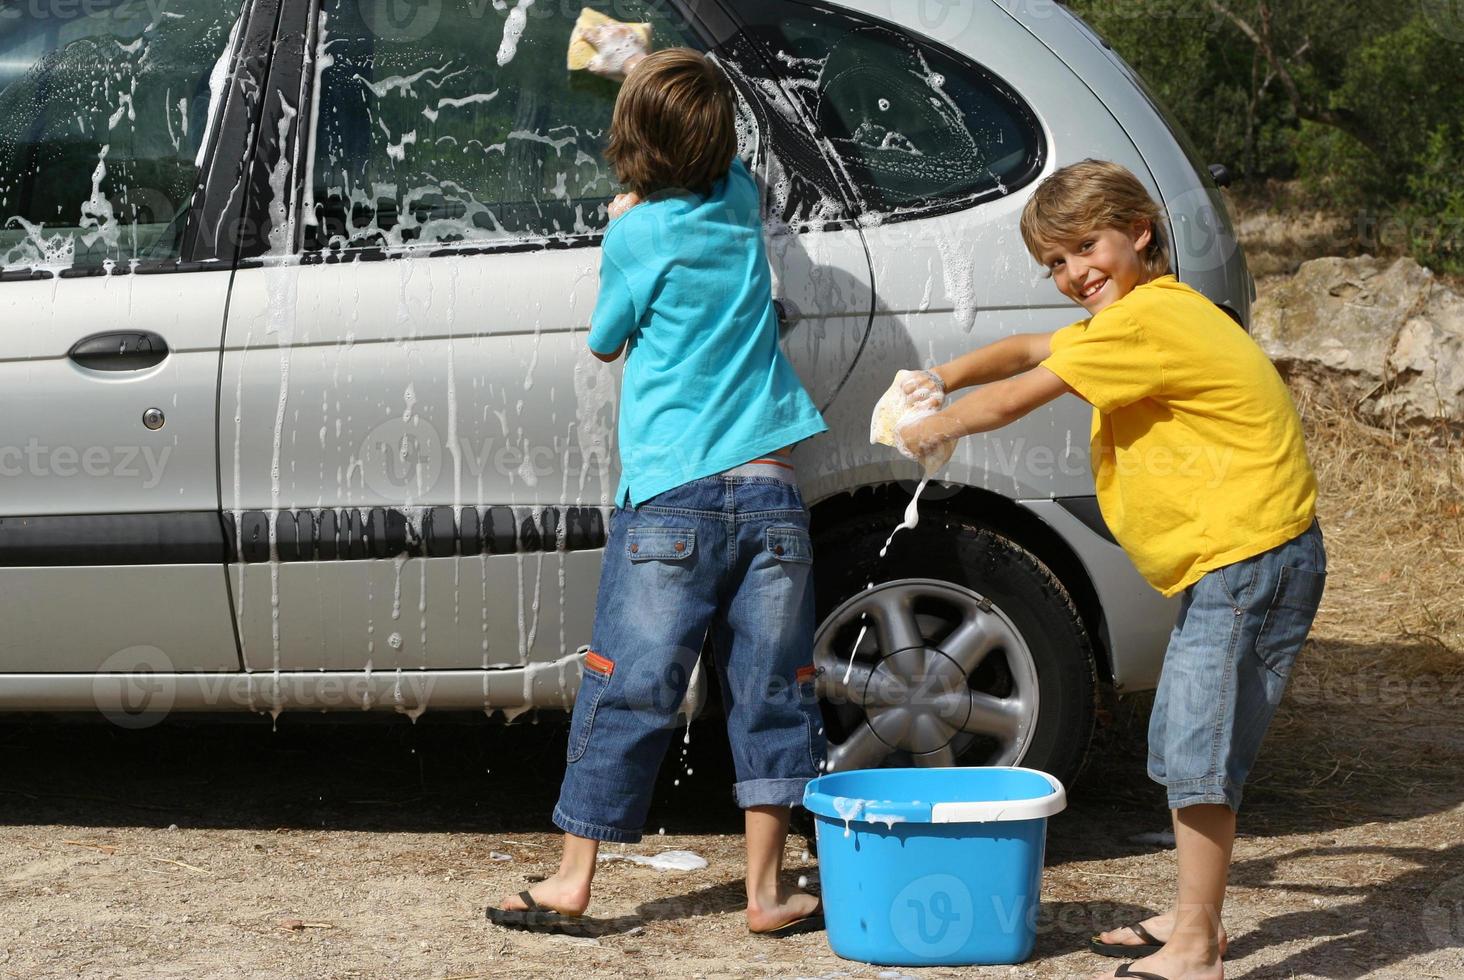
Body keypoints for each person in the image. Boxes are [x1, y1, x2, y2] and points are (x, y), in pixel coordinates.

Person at [896, 159, 1326, 980]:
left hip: (1253, 559)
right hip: (1243, 556)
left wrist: (933, 428)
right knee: (1187, 740)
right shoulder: (1149, 314)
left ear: (1139, 231)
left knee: (1199, 747)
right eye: (1054, 264)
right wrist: (940, 375)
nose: (1071, 274)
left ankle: (1197, 948)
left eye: (1085, 248)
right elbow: (1026, 345)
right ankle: (1193, 917)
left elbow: (1025, 390)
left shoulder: (1147, 324)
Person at [488, 46, 828, 939]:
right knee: (772, 690)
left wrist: (622, 222)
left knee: (630, 685)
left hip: (672, 497)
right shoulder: (744, 203)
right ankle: (765, 893)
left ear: (631, 142)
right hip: (771, 492)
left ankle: (571, 880)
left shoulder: (636, 234)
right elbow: (725, 157)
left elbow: (606, 339)